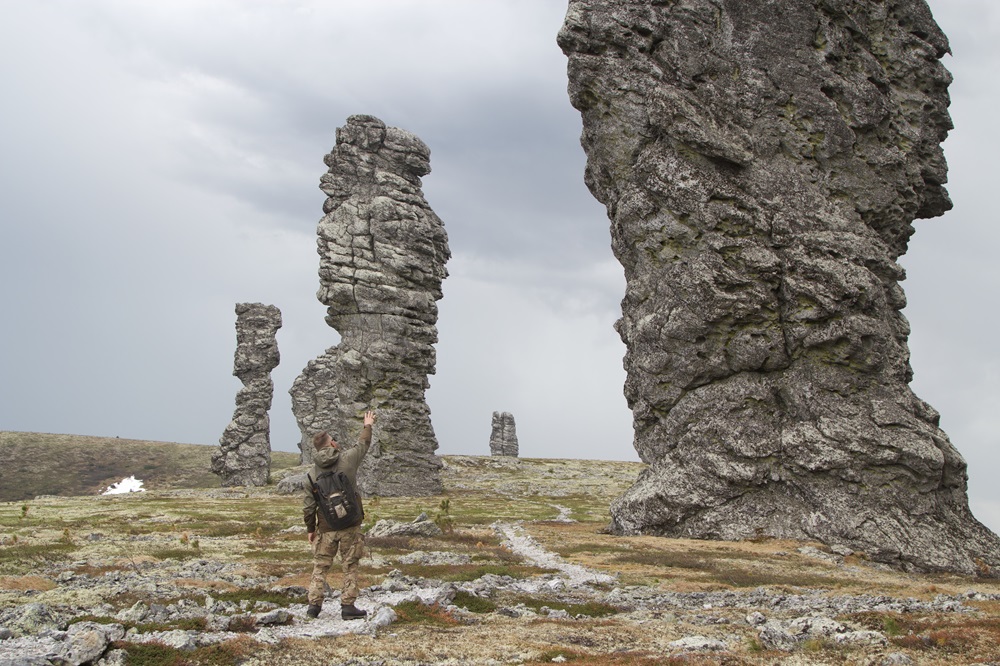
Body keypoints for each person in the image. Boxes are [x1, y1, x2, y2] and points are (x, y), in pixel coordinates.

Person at [303, 410, 376, 620]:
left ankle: (313, 607)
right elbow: (363, 445)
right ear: (331, 444)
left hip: (326, 529)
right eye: (333, 439)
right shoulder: (347, 460)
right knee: (350, 565)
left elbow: (308, 507)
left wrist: (310, 529)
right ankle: (347, 607)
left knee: (320, 566)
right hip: (350, 525)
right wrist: (367, 425)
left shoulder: (310, 475)